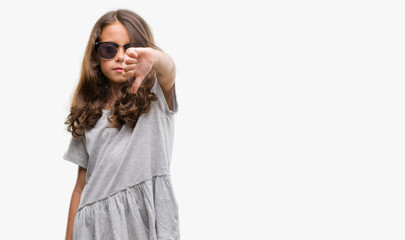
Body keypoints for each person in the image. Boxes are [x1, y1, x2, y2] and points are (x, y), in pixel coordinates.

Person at [63, 9, 180, 240]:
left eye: (130, 49)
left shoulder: (156, 95)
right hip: (93, 226)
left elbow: (170, 69)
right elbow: (80, 186)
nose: (120, 56)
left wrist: (154, 59)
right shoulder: (89, 112)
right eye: (109, 48)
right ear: (97, 55)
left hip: (142, 223)